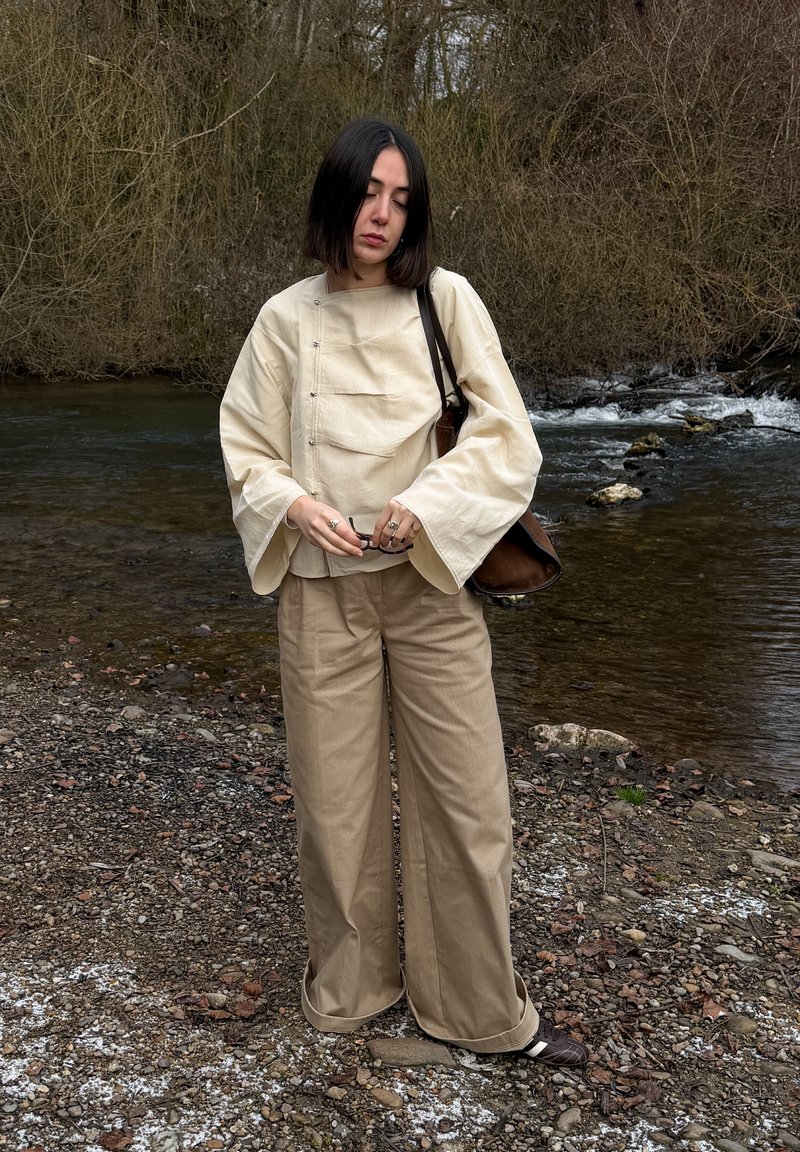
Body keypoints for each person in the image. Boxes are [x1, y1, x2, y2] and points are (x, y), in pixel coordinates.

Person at [219, 117, 588, 1066]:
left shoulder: (447, 301)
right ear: (333, 196)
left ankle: (474, 1009)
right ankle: (351, 990)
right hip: (320, 595)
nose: (381, 215)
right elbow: (246, 451)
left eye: (401, 199)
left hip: (432, 590)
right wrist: (297, 506)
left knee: (469, 804)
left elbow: (509, 441)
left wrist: (425, 506)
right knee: (334, 809)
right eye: (368, 192)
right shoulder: (282, 321)